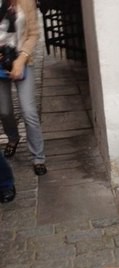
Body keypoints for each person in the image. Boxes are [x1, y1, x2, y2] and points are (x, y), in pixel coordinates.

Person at [0, 0, 47, 176]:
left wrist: (21, 60)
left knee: (29, 111)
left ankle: (38, 157)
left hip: (22, 59)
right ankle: (13, 138)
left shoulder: (26, 1)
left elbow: (34, 34)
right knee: (4, 111)